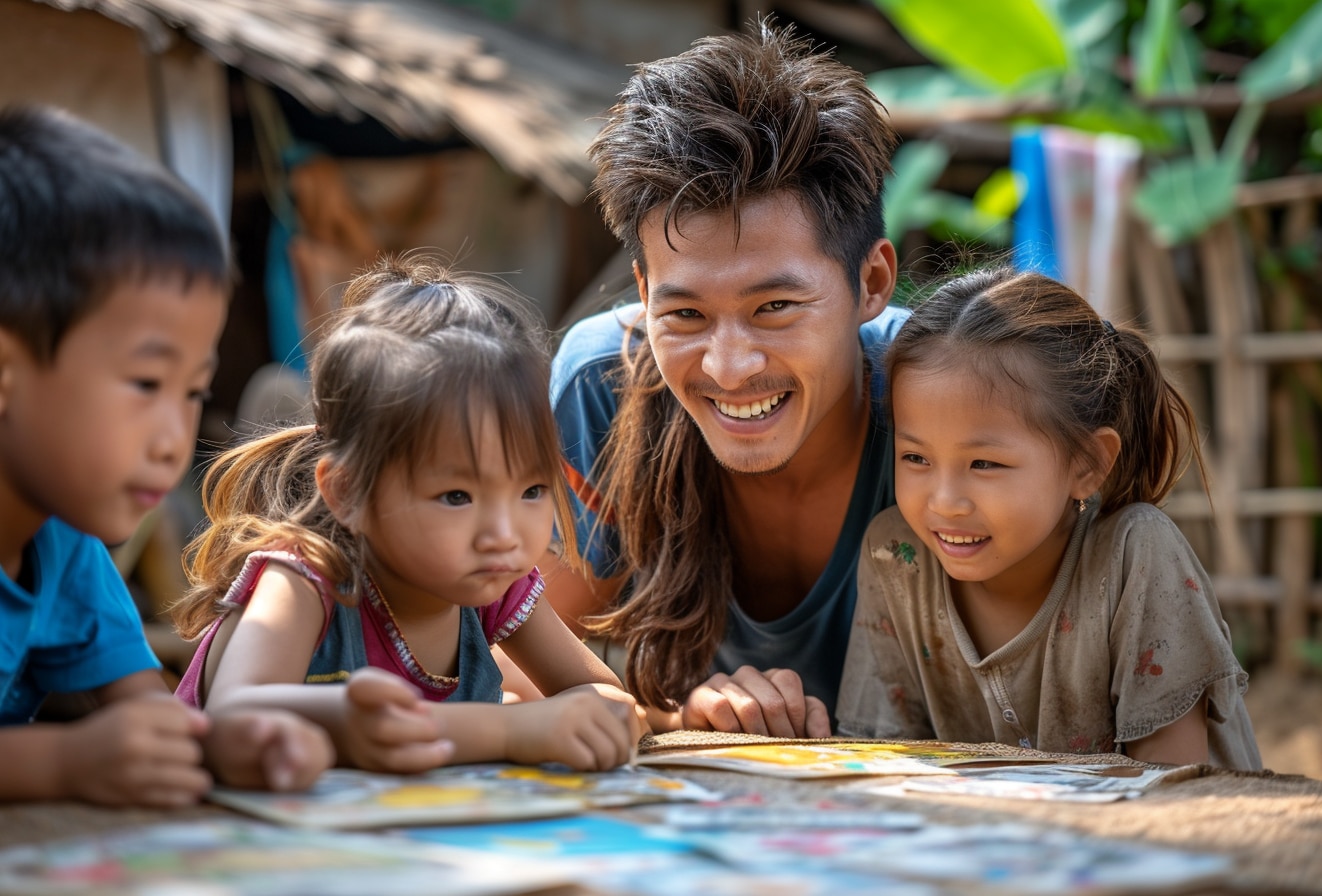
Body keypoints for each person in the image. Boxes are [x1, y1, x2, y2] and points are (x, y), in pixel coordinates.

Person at [546, 19, 906, 737]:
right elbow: (509, 659)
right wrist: (681, 713)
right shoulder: (602, 387)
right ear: (643, 293)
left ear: (872, 282)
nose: (729, 367)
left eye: (775, 307)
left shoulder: (942, 395)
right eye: (684, 313)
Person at [171, 255, 642, 773]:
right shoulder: (305, 576)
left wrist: (590, 716)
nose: (504, 535)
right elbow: (235, 714)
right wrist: (503, 729)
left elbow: (602, 696)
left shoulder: (495, 584)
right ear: (348, 492)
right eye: (457, 497)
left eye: (531, 490)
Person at [0, 103, 334, 806]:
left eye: (192, 391)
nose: (173, 437)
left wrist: (226, 743)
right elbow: (86, 753)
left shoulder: (62, 545)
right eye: (146, 383)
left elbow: (145, 715)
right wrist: (61, 765)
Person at [836, 267, 1262, 770]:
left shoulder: (1134, 556)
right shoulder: (895, 558)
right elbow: (883, 768)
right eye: (915, 459)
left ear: (1087, 464)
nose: (945, 501)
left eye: (985, 464)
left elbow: (1172, 794)